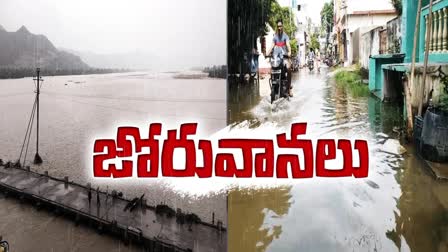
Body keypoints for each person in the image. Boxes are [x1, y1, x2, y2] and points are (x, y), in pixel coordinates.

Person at [266, 19, 293, 97]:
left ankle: (288, 88)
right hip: (276, 59)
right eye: (278, 26)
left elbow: (288, 45)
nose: (279, 28)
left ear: (282, 26)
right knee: (272, 69)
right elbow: (272, 46)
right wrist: (267, 53)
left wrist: (289, 52)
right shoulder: (275, 37)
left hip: (284, 57)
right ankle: (273, 88)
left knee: (288, 68)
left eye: (280, 26)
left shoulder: (285, 36)